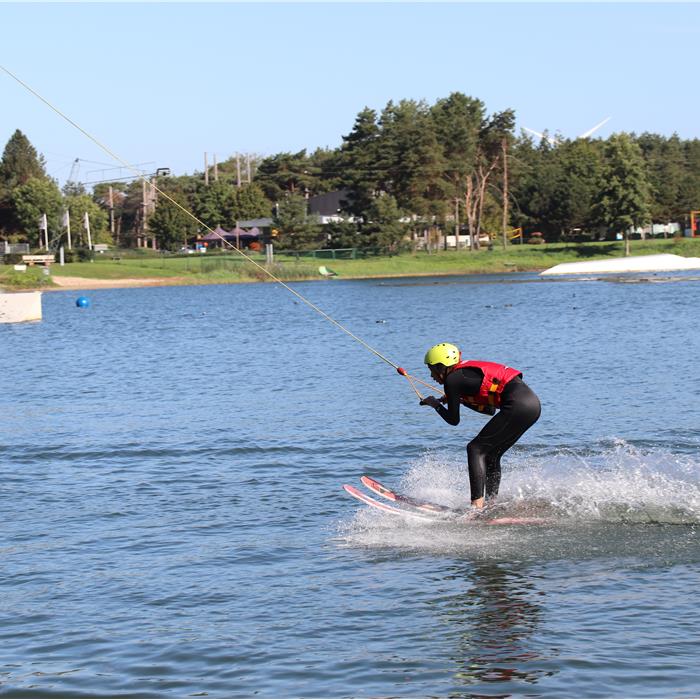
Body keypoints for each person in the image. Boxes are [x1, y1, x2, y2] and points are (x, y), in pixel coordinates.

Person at [419, 343, 541, 510]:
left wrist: (436, 405)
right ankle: (491, 504)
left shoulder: (452, 380)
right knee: (491, 455)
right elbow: (489, 409)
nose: (431, 376)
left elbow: (453, 420)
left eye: (431, 370)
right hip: (532, 406)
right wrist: (461, 399)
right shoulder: (462, 375)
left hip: (517, 406)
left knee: (475, 449)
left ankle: (476, 507)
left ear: (442, 367)